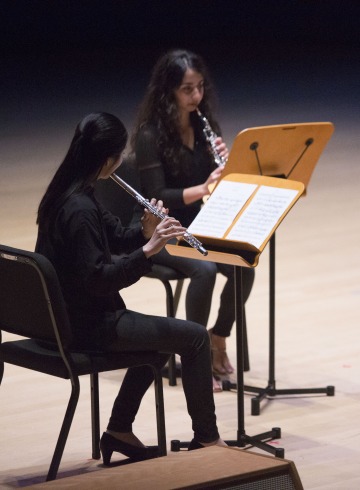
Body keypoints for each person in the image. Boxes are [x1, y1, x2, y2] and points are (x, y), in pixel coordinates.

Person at [35, 112, 227, 465]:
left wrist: (144, 229)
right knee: (196, 336)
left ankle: (119, 431)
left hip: (69, 318)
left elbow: (116, 238)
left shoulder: (69, 193)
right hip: (86, 326)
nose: (122, 161)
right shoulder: (78, 209)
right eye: (120, 154)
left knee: (169, 338)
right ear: (108, 159)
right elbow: (99, 279)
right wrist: (150, 250)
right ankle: (208, 441)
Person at [132, 49, 255, 391]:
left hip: (196, 225)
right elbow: (158, 197)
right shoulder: (149, 135)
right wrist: (204, 187)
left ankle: (217, 336)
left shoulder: (204, 128)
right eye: (187, 89)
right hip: (159, 230)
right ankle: (195, 359)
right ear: (168, 90)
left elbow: (213, 186)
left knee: (244, 263)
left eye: (200, 87)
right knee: (204, 269)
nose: (196, 96)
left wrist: (226, 171)